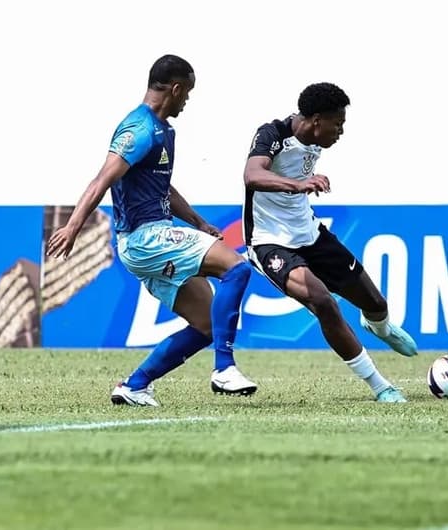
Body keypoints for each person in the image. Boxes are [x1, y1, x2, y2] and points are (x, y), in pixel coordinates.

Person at [46, 54, 258, 406]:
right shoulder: (139, 129)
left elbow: (163, 188)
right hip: (146, 238)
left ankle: (135, 384)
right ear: (175, 89)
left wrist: (198, 223)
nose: (187, 101)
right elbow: (102, 179)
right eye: (187, 93)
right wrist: (72, 227)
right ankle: (225, 369)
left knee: (207, 323)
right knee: (236, 268)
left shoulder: (164, 131)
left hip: (150, 239)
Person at [242, 82, 417, 403]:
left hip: (310, 234)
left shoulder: (313, 136)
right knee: (323, 302)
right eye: (338, 124)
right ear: (317, 120)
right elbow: (252, 175)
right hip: (270, 243)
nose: (341, 131)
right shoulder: (273, 134)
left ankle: (382, 329)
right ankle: (381, 386)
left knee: (376, 305)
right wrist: (297, 185)